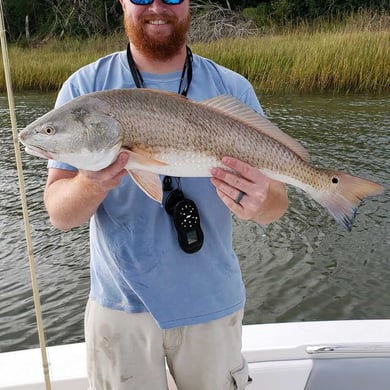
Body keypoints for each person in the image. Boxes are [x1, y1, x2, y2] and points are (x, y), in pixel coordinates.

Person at [44, 0, 288, 389]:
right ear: (123, 3)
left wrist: (260, 202)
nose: (157, 7)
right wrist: (93, 182)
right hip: (119, 310)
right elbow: (59, 214)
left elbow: (276, 205)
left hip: (212, 305)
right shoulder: (85, 87)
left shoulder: (232, 87)